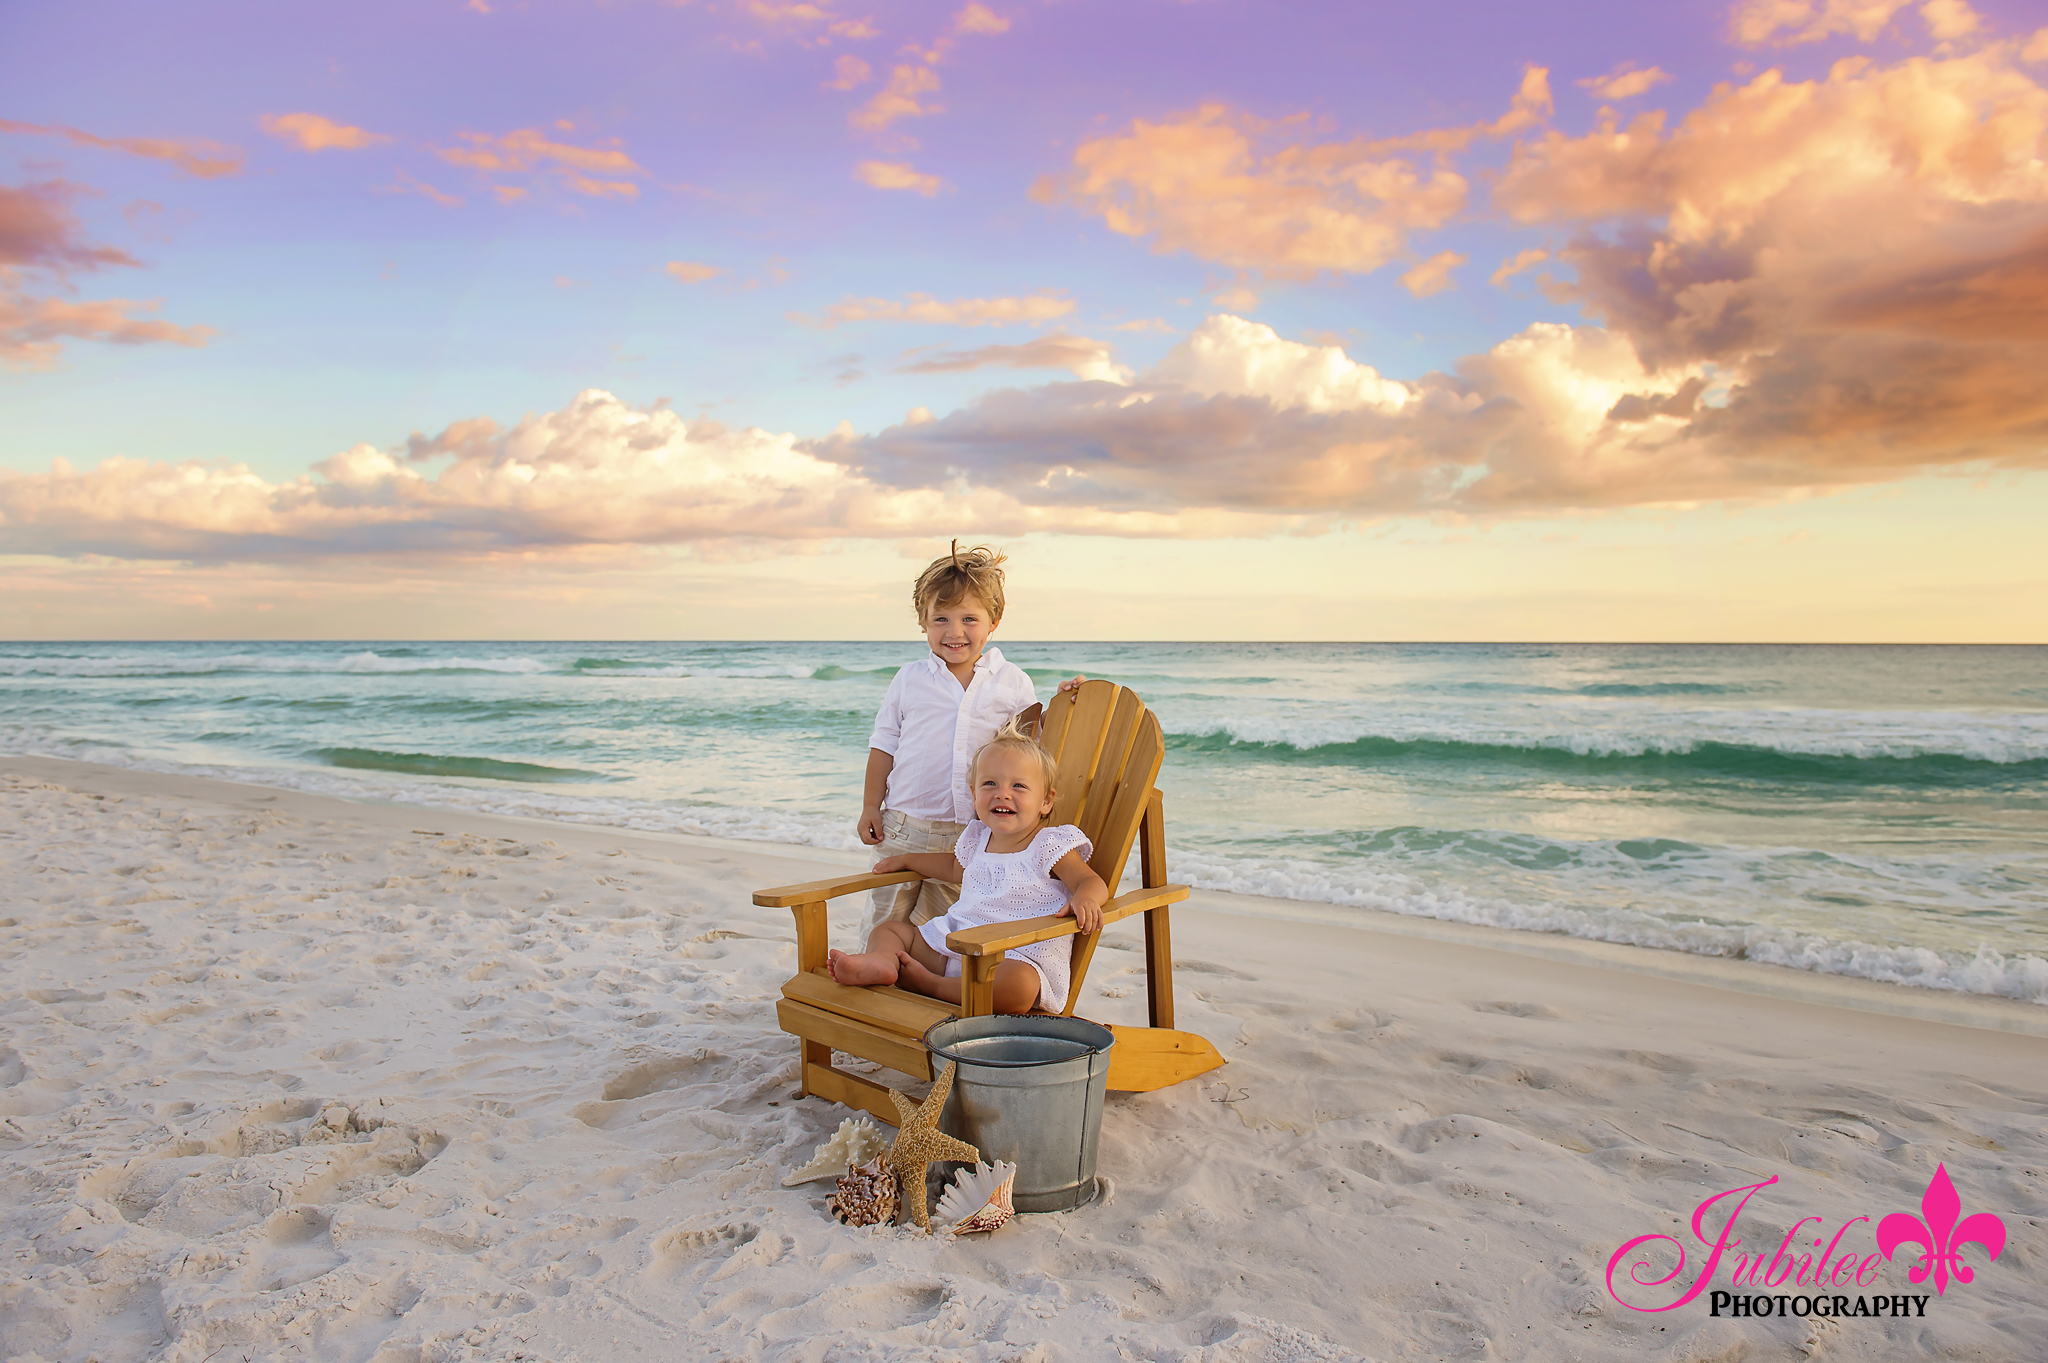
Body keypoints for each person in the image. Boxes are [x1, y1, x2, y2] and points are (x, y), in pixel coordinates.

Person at [856, 542, 1079, 936]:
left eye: (969, 619)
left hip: (970, 832)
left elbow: (1028, 742)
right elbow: (884, 744)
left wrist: (1063, 704)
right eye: (940, 618)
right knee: (885, 920)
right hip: (903, 825)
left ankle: (931, 992)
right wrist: (871, 805)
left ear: (994, 621)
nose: (954, 632)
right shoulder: (909, 679)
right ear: (923, 621)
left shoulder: (1012, 682)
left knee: (950, 927)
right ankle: (873, 977)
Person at [830, 717, 1107, 1014]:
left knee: (1021, 986)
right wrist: (908, 859)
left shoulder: (1049, 845)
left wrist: (1086, 898)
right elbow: (952, 868)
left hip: (1016, 957)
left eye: (1019, 786)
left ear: (1046, 802)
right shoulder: (978, 838)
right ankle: (882, 962)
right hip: (956, 945)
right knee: (891, 931)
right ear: (974, 795)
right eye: (990, 784)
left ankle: (932, 986)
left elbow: (1089, 881)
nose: (1002, 793)